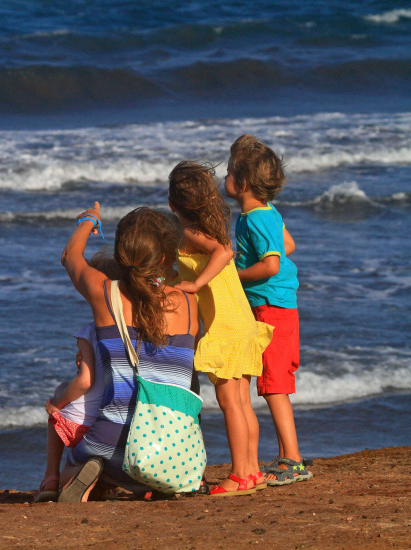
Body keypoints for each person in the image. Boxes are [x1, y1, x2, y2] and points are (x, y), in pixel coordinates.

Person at [57, 203, 199, 502]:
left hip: (109, 439)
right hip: (171, 445)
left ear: (121, 254)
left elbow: (70, 256)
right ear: (163, 255)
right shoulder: (187, 302)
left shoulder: (104, 292)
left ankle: (97, 472)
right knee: (152, 465)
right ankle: (154, 478)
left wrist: (88, 220)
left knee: (67, 474)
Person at [168, 160, 273, 496]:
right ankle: (252, 470)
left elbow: (223, 253)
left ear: (173, 205)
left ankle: (240, 474)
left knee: (230, 403)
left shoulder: (189, 232)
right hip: (240, 320)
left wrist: (196, 283)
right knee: (241, 403)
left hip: (226, 326)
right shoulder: (209, 227)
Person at [226, 134, 312, 485]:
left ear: (242, 184)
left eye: (229, 173)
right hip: (280, 304)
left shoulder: (254, 219)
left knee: (274, 384)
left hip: (271, 308)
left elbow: (273, 263)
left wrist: (235, 275)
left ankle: (293, 459)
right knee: (276, 381)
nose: (224, 179)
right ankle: (286, 456)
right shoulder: (266, 212)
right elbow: (287, 243)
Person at [34, 249, 122, 503]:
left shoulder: (91, 332)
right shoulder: (133, 328)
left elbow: (84, 381)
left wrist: (56, 406)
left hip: (83, 426)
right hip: (119, 425)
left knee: (58, 403)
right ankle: (105, 484)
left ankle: (51, 478)